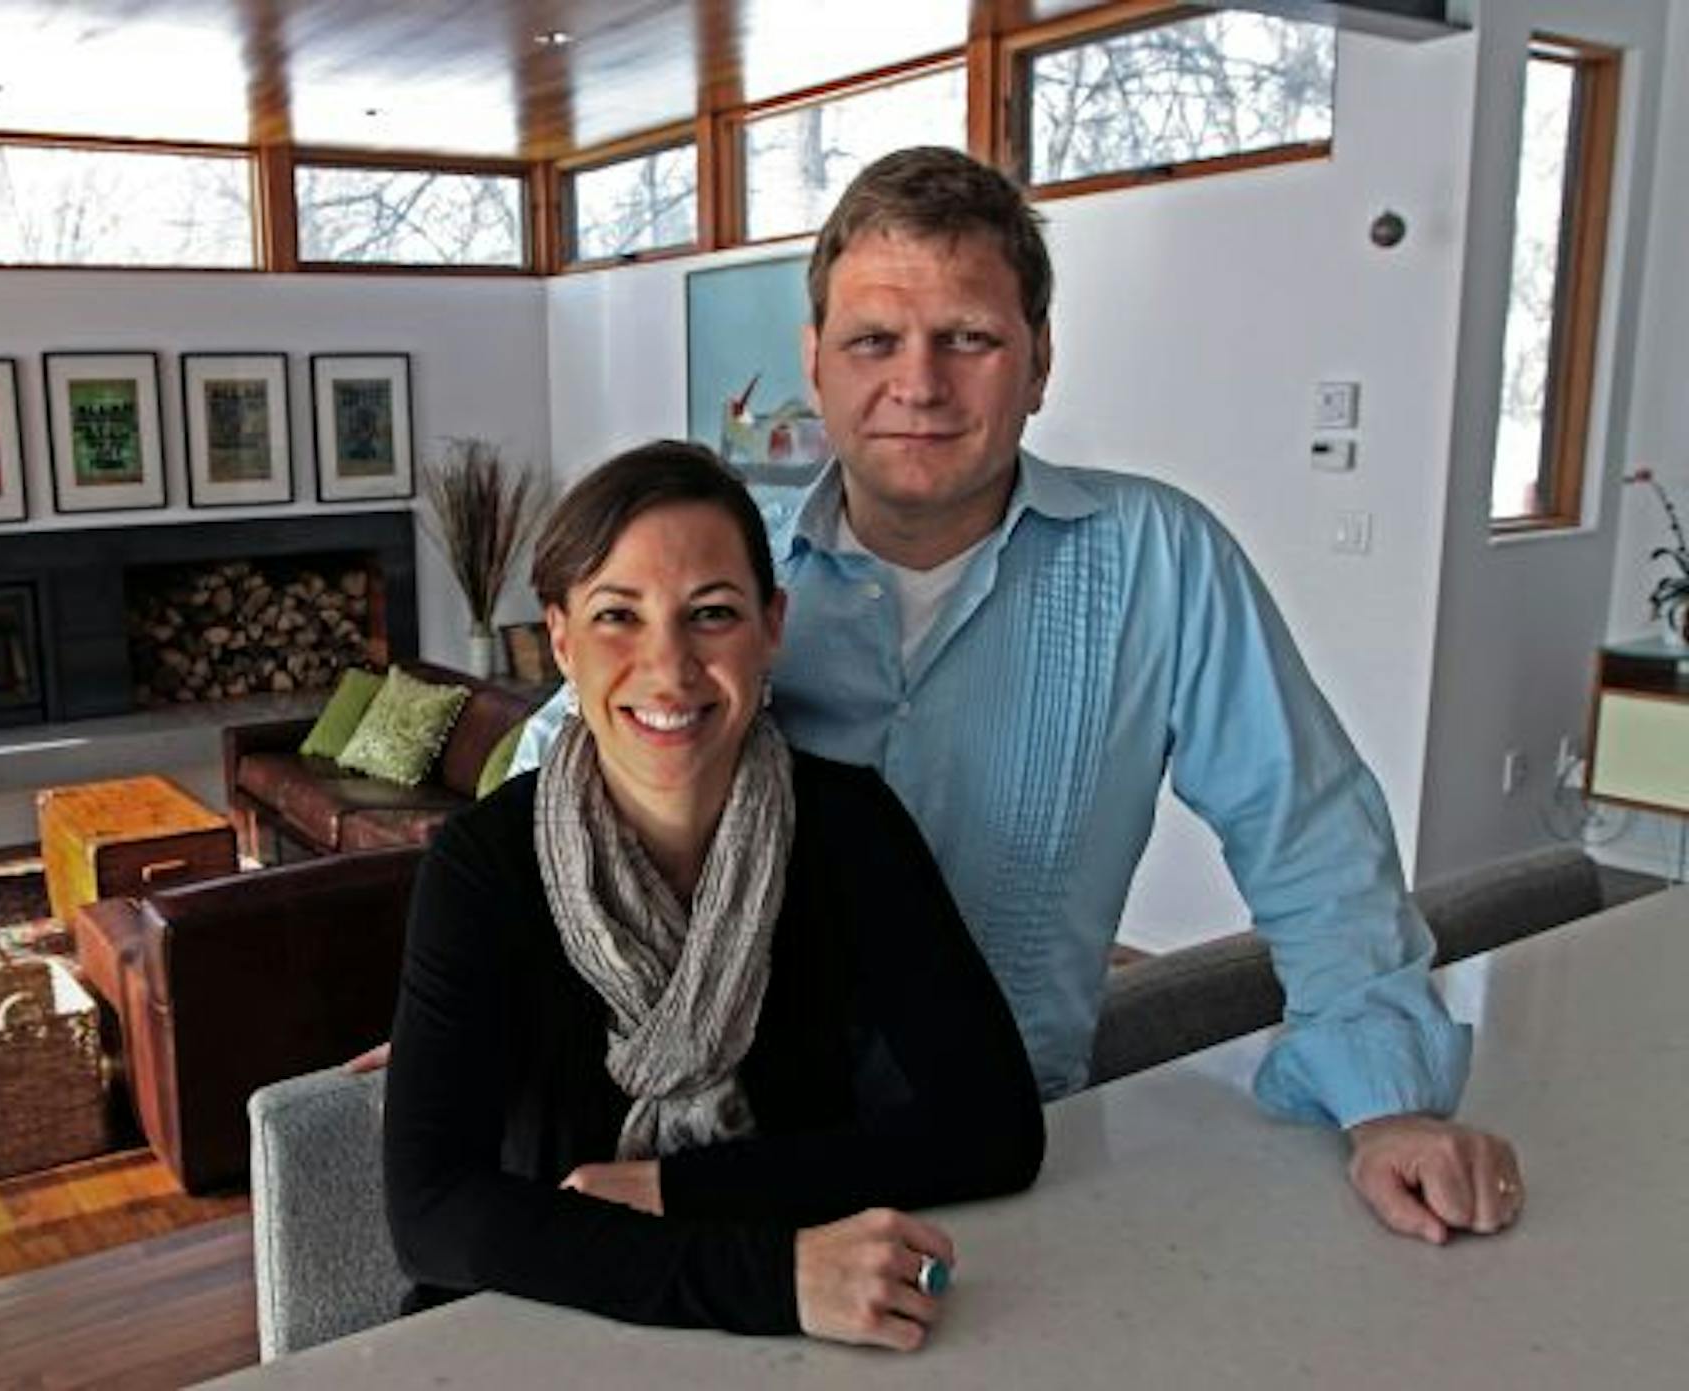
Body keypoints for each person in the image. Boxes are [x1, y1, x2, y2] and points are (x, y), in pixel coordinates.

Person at [512, 147, 1522, 1246]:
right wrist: (465, 991)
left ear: (1039, 361)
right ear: (816, 363)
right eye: (873, 341)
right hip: (721, 1170)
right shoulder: (731, 584)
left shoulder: (1159, 562)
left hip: (1010, 1161)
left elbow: (1310, 830)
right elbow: (559, 763)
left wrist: (1388, 1102)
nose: (919, 383)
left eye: (970, 339)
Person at [383, 441, 1045, 1351]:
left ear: (772, 627)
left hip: (803, 1333)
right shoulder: (482, 863)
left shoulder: (848, 828)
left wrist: (678, 1192)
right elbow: (432, 1213)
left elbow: (992, 1127)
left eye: (713, 614)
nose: (671, 667)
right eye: (619, 615)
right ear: (563, 639)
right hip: (540, 1330)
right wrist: (773, 1276)